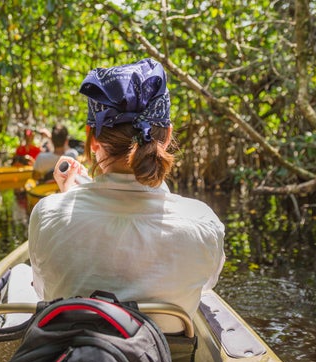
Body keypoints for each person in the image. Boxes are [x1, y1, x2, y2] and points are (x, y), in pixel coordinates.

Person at [28, 58, 225, 333]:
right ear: (167, 136)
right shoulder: (203, 221)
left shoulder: (48, 213)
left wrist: (66, 198)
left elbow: (44, 290)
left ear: (92, 138)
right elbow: (203, 285)